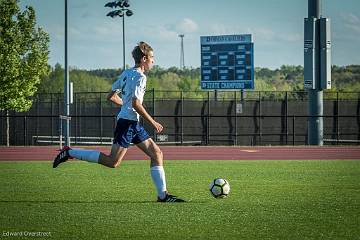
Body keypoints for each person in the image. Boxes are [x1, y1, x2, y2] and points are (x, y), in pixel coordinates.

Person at [53, 41, 185, 203]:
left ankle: (163, 195)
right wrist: (152, 121)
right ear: (144, 58)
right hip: (127, 124)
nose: (153, 61)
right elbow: (136, 103)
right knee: (113, 162)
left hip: (131, 122)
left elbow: (111, 96)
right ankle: (69, 152)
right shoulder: (140, 77)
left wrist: (126, 106)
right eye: (152, 57)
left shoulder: (126, 73)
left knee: (156, 153)